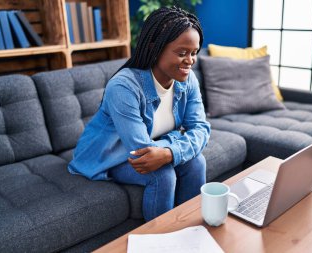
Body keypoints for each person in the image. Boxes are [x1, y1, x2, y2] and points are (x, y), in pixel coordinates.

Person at [68, 6, 211, 221]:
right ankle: (159, 242)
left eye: (194, 53)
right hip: (110, 156)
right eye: (182, 53)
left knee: (197, 163)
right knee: (162, 175)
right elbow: (141, 151)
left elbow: (201, 128)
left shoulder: (188, 79)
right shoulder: (124, 87)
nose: (190, 61)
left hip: (154, 146)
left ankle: (190, 228)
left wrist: (170, 152)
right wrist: (174, 147)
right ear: (155, 47)